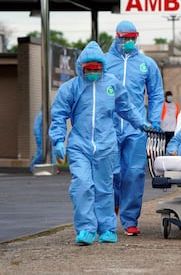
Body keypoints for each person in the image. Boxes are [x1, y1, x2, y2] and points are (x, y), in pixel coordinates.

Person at [48, 41, 148, 245]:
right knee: (82, 185)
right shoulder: (71, 88)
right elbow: (58, 115)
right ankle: (85, 229)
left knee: (104, 188)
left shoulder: (111, 84)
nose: (93, 72)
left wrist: (141, 123)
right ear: (81, 68)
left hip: (106, 144)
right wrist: (58, 139)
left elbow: (126, 107)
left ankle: (107, 229)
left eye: (97, 68)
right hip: (79, 145)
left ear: (102, 67)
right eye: (89, 69)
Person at [105, 20, 164, 236]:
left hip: (137, 127)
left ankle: (130, 219)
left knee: (135, 173)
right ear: (117, 37)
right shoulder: (104, 61)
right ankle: (111, 207)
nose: (129, 42)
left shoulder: (147, 64)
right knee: (111, 172)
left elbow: (156, 93)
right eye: (125, 38)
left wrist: (154, 119)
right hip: (109, 126)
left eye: (133, 38)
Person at [30, 107, 59, 173]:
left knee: (52, 152)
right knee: (40, 152)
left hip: (48, 137)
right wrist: (38, 137)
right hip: (41, 137)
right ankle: (32, 166)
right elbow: (36, 128)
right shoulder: (40, 116)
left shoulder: (48, 116)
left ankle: (53, 168)